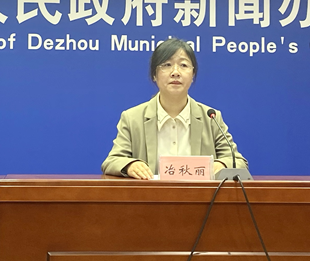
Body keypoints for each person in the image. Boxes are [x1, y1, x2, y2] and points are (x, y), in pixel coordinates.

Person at [102, 38, 249, 179]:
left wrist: (221, 164)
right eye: (167, 65)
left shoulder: (211, 118)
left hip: (200, 196)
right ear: (154, 75)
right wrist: (130, 165)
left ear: (193, 74)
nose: (175, 72)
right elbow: (112, 161)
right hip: (150, 195)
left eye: (183, 65)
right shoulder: (132, 118)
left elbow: (238, 161)